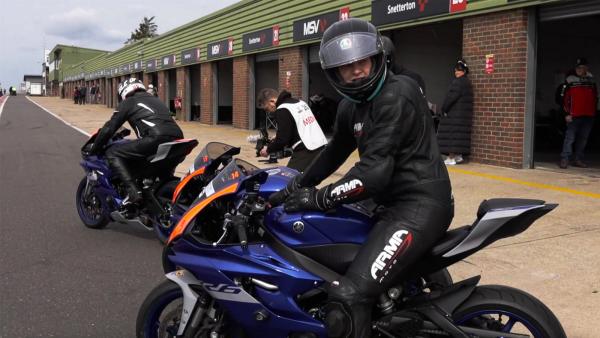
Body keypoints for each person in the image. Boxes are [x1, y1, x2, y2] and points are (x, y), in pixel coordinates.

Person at [270, 18, 453, 338]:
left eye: (361, 62)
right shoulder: (350, 107)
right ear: (334, 73)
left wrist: (318, 197)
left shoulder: (397, 94)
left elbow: (373, 175)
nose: (356, 71)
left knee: (348, 294)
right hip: (389, 203)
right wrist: (294, 186)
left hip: (419, 204)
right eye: (346, 67)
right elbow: (332, 153)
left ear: (376, 59)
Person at [89, 78, 183, 204]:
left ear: (124, 91)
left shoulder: (129, 101)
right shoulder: (155, 99)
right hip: (179, 139)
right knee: (161, 175)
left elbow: (109, 128)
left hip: (156, 139)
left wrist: (95, 149)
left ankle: (133, 191)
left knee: (112, 153)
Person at [256, 88, 328, 172]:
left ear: (272, 102)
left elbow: (282, 140)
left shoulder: (282, 109)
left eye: (266, 109)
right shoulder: (300, 103)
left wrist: (268, 150)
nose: (268, 112)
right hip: (322, 147)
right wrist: (279, 135)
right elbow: (302, 124)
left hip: (307, 150)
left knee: (289, 178)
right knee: (307, 181)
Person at [559, 57, 597, 169]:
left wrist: (594, 112)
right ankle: (564, 159)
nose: (579, 69)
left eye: (581, 67)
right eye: (577, 67)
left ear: (586, 68)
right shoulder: (569, 80)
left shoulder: (592, 80)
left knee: (583, 139)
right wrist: (566, 114)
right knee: (570, 138)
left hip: (588, 115)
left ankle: (578, 159)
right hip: (573, 115)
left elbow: (595, 97)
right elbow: (563, 98)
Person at [437, 59, 474, 165]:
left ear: (464, 71)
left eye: (458, 70)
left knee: (452, 135)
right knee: (459, 135)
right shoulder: (467, 83)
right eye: (455, 70)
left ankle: (451, 157)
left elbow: (450, 98)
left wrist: (443, 109)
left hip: (454, 115)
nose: (456, 72)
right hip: (463, 116)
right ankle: (458, 156)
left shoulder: (457, 82)